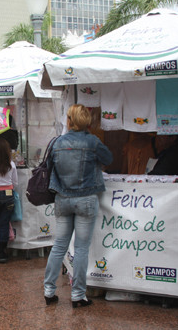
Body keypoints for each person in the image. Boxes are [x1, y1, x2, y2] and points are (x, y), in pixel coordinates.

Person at [43, 104, 113, 308]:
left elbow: (50, 168)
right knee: (81, 248)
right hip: (86, 199)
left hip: (63, 199)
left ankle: (49, 290)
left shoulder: (57, 143)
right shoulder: (93, 141)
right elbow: (108, 158)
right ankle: (78, 295)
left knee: (59, 246)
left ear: (70, 120)